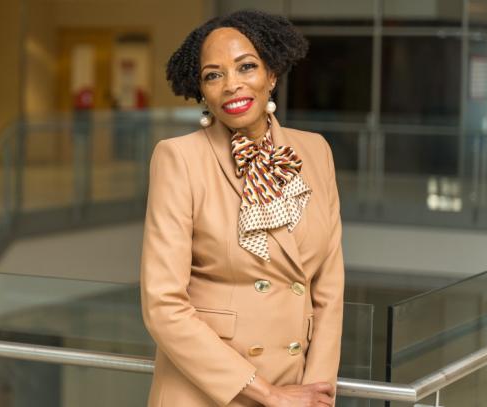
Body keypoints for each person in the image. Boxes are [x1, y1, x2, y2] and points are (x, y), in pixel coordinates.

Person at [140, 10, 344, 407]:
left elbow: (329, 287)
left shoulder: (315, 151)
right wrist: (268, 395)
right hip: (208, 392)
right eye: (213, 75)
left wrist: (316, 393)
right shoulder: (178, 159)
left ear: (271, 74)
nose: (231, 85)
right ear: (202, 91)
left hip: (296, 390)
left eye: (246, 67)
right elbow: (163, 306)